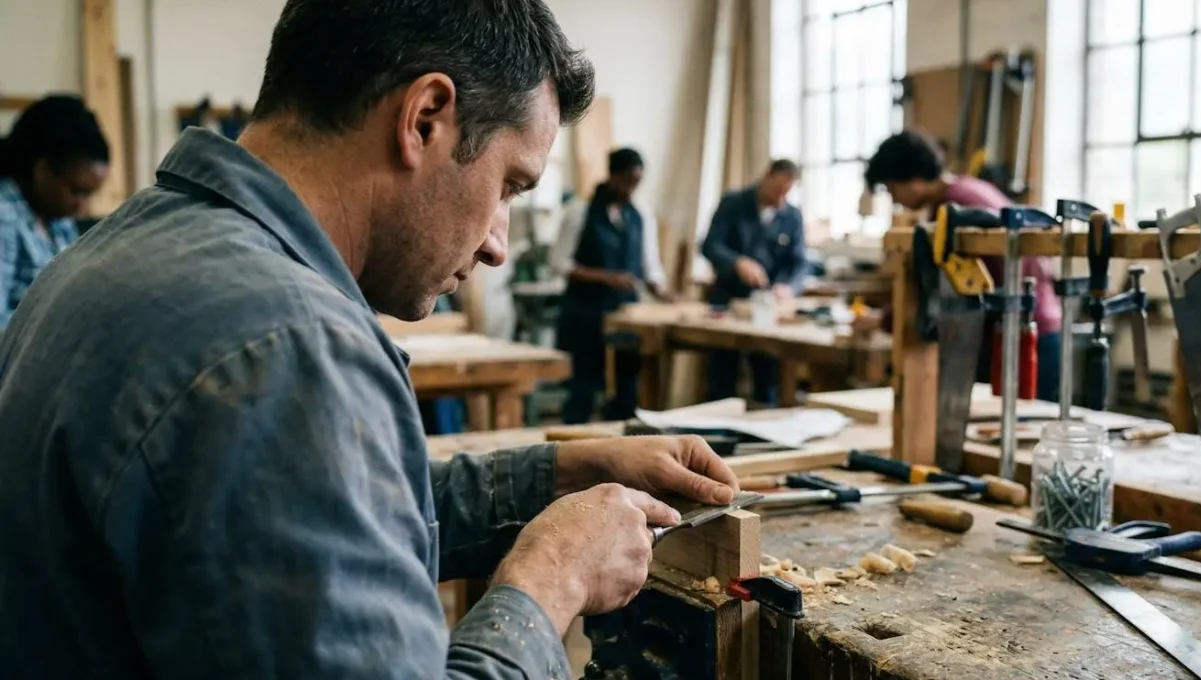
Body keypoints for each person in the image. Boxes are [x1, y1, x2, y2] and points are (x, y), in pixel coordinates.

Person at [0, 2, 741, 678]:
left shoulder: (138, 249)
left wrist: (557, 474)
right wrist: (554, 578)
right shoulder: (283, 347)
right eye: (510, 186)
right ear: (425, 118)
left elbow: (334, 520)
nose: (497, 246)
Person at [864, 129, 1062, 402]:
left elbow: (942, 293)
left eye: (892, 188)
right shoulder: (971, 189)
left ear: (914, 177)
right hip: (1031, 324)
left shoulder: (953, 210)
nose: (895, 199)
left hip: (1019, 334)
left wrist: (884, 319)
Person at [551, 147, 672, 423]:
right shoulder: (580, 211)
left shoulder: (641, 215)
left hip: (625, 314)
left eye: (637, 182)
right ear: (613, 175)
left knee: (627, 383)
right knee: (582, 384)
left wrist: (664, 291)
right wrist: (607, 277)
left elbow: (650, 265)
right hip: (585, 311)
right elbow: (559, 262)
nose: (632, 188)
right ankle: (573, 442)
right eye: (628, 180)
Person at [700, 159, 807, 404]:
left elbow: (800, 263)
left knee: (767, 379)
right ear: (765, 178)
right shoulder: (733, 203)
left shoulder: (792, 216)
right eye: (778, 189)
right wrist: (737, 262)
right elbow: (710, 245)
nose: (781, 197)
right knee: (722, 379)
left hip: (768, 309)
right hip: (728, 302)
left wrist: (788, 287)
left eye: (787, 192)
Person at [0, 95, 109, 330]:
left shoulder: (56, 219)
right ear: (43, 170)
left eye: (90, 194)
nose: (82, 207)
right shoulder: (4, 218)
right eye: (76, 191)